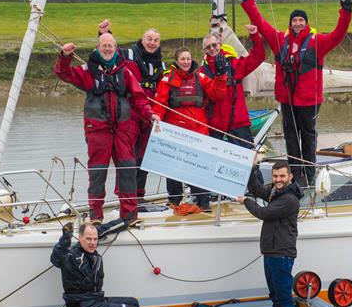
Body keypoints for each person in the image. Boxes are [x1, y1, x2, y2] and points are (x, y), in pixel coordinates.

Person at [241, 0, 352, 186]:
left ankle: (309, 175)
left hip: (309, 100)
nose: (298, 23)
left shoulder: (317, 42)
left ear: (306, 23)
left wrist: (346, 12)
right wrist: (248, 2)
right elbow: (261, 24)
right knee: (291, 137)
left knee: (308, 138)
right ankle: (295, 174)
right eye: (295, 20)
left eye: (301, 20)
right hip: (287, 99)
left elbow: (338, 35)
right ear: (290, 23)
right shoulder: (279, 41)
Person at [55, 33, 160, 230]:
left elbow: (139, 97)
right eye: (104, 45)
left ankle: (129, 215)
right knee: (97, 172)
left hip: (122, 129)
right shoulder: (88, 71)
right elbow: (64, 74)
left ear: (115, 47)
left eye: (110, 45)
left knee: (128, 170)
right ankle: (96, 215)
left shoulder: (125, 71)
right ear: (98, 47)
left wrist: (150, 114)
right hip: (98, 130)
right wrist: (65, 57)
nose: (107, 49)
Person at [98, 20, 166, 202]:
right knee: (127, 157)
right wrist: (105, 33)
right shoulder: (127, 54)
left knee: (144, 157)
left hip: (149, 115)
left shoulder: (162, 65)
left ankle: (139, 196)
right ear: (142, 40)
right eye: (149, 39)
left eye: (156, 40)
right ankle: (125, 197)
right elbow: (108, 52)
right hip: (129, 113)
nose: (152, 43)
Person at [153, 47, 227, 212]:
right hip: (175, 132)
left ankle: (203, 200)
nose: (186, 62)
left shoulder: (200, 77)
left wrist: (221, 76)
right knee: (173, 169)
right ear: (177, 61)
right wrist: (156, 116)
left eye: (188, 58)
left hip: (198, 131)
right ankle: (174, 200)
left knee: (199, 167)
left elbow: (217, 93)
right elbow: (159, 103)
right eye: (182, 59)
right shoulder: (167, 80)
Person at [50, 222, 155, 307]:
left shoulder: (94, 255)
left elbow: (103, 229)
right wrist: (66, 236)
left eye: (95, 239)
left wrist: (124, 221)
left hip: (97, 300)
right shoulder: (71, 257)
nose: (93, 242)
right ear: (80, 238)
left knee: (133, 302)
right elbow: (57, 256)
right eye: (88, 239)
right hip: (83, 306)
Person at [236, 161, 303, 307]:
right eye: (275, 176)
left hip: (281, 253)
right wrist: (254, 168)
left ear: (290, 177)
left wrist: (246, 201)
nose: (278, 179)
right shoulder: (275, 191)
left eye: (282, 176)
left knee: (283, 296)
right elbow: (256, 189)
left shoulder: (289, 199)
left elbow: (264, 213)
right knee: (274, 294)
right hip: (271, 251)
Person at [200, 25, 266, 149]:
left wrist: (255, 36)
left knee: (248, 163)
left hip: (238, 124)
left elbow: (258, 56)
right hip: (215, 127)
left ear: (220, 44)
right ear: (204, 51)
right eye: (208, 47)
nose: (212, 49)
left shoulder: (235, 65)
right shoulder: (202, 72)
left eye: (214, 45)